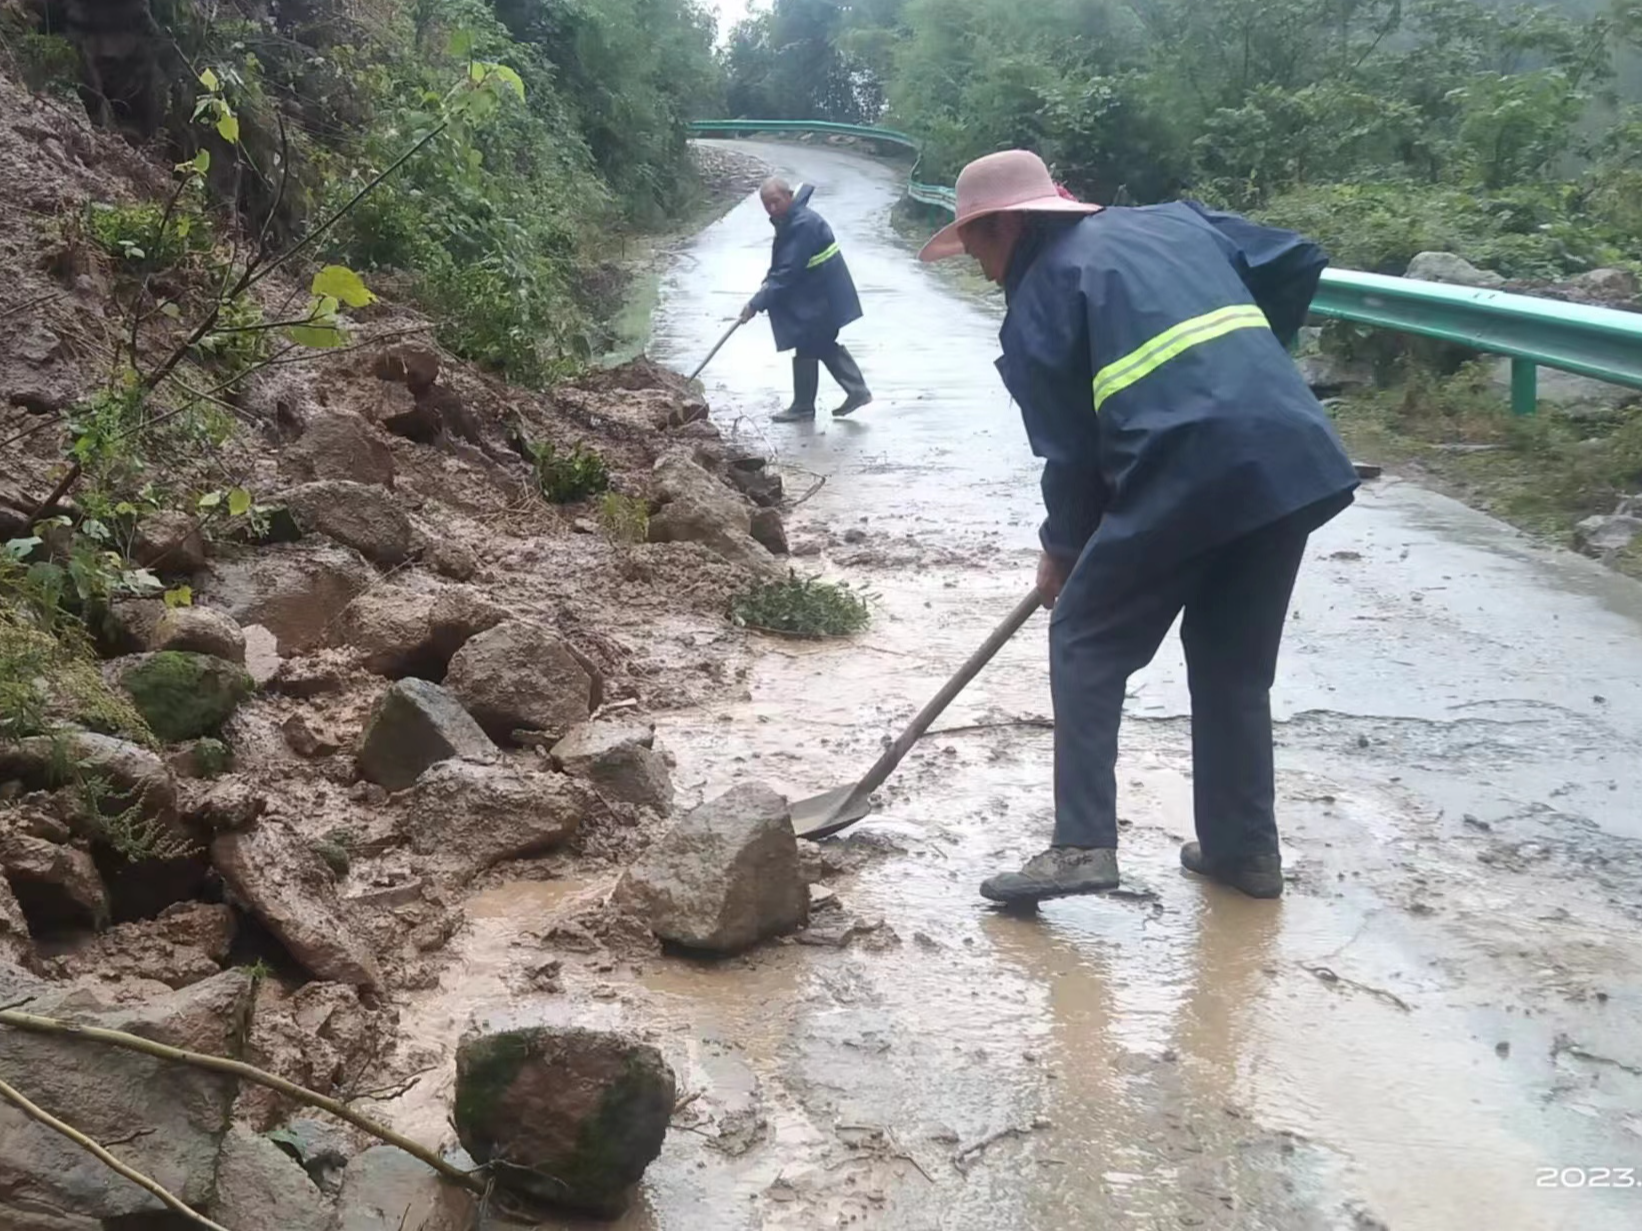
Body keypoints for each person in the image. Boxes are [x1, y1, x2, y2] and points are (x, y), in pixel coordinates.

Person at [917, 149, 1359, 903]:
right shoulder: (1175, 223)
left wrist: (1062, 552)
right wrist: (1246, 362)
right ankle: (1244, 850)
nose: (984, 270)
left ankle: (1083, 843)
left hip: (1186, 468)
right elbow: (1296, 258)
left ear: (1011, 224)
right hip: (1289, 458)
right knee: (1230, 664)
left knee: (1085, 638)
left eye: (981, 245)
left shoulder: (1041, 298)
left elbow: (1071, 456)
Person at [740, 177, 873, 423]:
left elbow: (787, 272)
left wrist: (756, 303)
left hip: (822, 297)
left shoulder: (802, 225)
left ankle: (846, 393)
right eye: (766, 204)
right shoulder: (793, 220)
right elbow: (784, 269)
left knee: (818, 343)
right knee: (811, 344)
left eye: (776, 202)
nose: (771, 209)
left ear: (789, 196)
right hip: (818, 295)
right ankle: (816, 402)